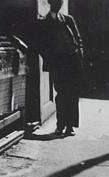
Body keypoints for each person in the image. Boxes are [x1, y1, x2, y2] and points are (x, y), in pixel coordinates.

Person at [38, 0, 83, 136]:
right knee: (62, 93)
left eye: (61, 3)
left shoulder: (68, 19)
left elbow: (78, 39)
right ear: (51, 3)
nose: (60, 5)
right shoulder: (44, 22)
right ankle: (60, 125)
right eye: (58, 2)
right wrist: (48, 58)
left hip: (72, 61)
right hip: (57, 62)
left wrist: (79, 55)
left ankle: (70, 126)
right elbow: (41, 44)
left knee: (72, 93)